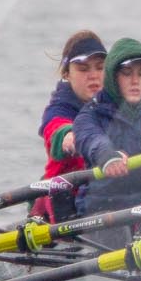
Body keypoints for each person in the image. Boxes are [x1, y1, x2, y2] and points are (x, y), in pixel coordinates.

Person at [70, 38, 141, 214]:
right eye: (126, 73)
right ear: (113, 77)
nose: (134, 81)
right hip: (104, 206)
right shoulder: (90, 115)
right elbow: (92, 138)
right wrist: (107, 155)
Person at [33, 29, 105, 221]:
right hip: (62, 200)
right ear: (67, 73)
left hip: (102, 195)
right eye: (83, 69)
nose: (93, 76)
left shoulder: (114, 106)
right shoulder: (59, 108)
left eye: (99, 67)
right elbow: (56, 129)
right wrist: (71, 137)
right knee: (60, 191)